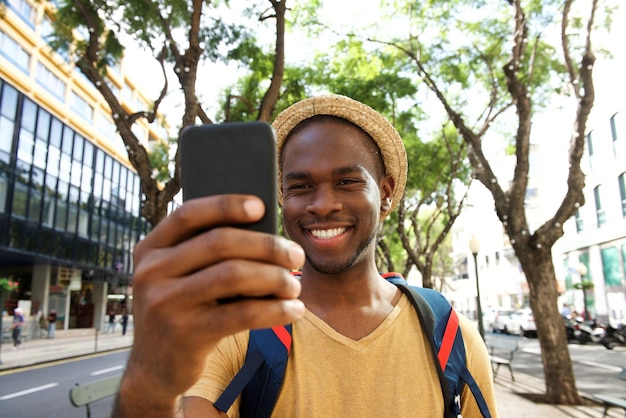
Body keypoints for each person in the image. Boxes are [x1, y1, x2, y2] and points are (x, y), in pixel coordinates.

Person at [112, 95, 498, 417]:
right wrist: (146, 381)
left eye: (347, 181)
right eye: (301, 186)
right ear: (282, 198)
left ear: (386, 192)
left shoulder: (451, 336)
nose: (323, 204)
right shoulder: (237, 332)